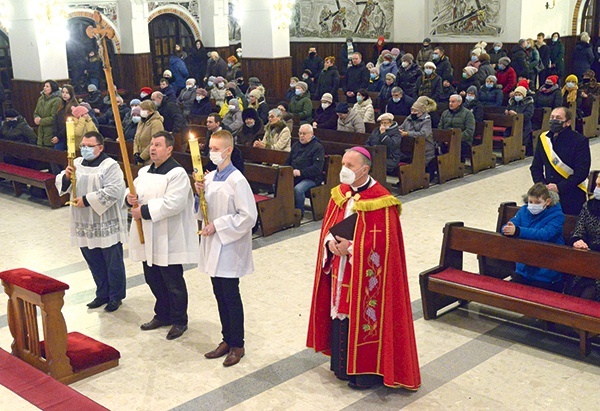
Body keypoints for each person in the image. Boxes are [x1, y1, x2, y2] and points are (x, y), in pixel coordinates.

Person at [307, 146, 420, 390]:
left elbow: (384, 246)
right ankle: (342, 367)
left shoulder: (381, 200)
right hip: (340, 269)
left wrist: (352, 247)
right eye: (343, 165)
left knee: (363, 317)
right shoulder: (340, 194)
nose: (344, 170)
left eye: (350, 166)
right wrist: (331, 243)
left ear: (365, 169)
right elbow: (328, 226)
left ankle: (366, 374)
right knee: (340, 315)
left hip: (366, 276)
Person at [127, 131, 199, 340]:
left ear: (169, 149)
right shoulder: (145, 172)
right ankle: (162, 314)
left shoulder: (177, 174)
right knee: (152, 277)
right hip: (148, 235)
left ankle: (179, 320)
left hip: (168, 235)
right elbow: (132, 192)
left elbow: (173, 204)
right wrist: (129, 198)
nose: (152, 148)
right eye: (151, 144)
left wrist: (144, 211)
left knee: (172, 281)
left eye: (158, 145)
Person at [194, 130, 257, 366]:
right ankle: (226, 339)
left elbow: (248, 216)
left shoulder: (237, 180)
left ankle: (237, 344)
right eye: (210, 148)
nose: (212, 152)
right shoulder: (209, 178)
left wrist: (218, 226)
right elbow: (202, 208)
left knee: (231, 295)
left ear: (228, 150)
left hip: (229, 246)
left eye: (216, 149)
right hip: (213, 245)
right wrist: (198, 192)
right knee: (218, 293)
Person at [56, 131, 127, 312]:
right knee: (93, 260)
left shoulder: (110, 166)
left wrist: (86, 200)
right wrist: (66, 176)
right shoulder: (77, 163)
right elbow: (65, 185)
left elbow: (115, 190)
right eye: (83, 146)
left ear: (100, 147)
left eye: (89, 146)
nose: (85, 149)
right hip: (83, 221)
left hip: (105, 221)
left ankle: (115, 296)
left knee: (112, 262)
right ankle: (101, 293)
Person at [501, 183, 565, 291]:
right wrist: (507, 229)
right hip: (523, 268)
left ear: (547, 202)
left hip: (546, 271)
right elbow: (510, 225)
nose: (533, 205)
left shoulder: (557, 216)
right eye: (530, 202)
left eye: (538, 202)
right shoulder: (524, 210)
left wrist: (517, 231)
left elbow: (544, 234)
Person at [530, 106, 591, 216]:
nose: (554, 120)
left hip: (572, 194)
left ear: (567, 122)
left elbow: (582, 172)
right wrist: (543, 186)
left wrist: (559, 187)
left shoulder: (579, 141)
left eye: (558, 118)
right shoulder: (544, 138)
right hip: (548, 194)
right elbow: (536, 167)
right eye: (552, 117)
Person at [564, 175, 600, 300]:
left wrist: (594, 247)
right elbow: (579, 229)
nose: (597, 189)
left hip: (597, 266)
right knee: (572, 293)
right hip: (585, 262)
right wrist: (577, 240)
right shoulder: (589, 206)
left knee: (588, 295)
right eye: (596, 185)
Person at [285, 124, 325, 217]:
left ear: (311, 134)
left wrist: (301, 172)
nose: (302, 136)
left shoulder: (317, 147)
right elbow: (288, 161)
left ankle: (299, 213)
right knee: (280, 184)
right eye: (300, 133)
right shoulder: (296, 145)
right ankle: (287, 210)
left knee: (298, 189)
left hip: (311, 178)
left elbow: (317, 168)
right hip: (294, 175)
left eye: (304, 134)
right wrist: (288, 170)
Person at [400, 101, 436, 177]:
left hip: (425, 148)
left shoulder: (426, 120)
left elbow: (424, 133)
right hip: (409, 146)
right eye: (412, 110)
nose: (413, 112)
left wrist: (407, 133)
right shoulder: (409, 118)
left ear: (421, 112)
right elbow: (402, 127)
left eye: (415, 111)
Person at [439, 94, 475, 162]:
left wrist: (455, 139)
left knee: (458, 147)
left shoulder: (468, 114)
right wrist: (444, 138)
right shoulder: (445, 113)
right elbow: (440, 127)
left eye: (453, 102)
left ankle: (459, 165)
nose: (450, 104)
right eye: (449, 101)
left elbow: (469, 131)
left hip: (462, 140)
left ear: (459, 102)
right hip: (447, 140)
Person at [133, 100, 164, 166]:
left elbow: (155, 142)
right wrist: (136, 152)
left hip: (150, 158)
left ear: (150, 111)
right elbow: (136, 138)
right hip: (140, 156)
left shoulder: (156, 123)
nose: (141, 111)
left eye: (143, 109)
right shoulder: (141, 121)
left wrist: (143, 156)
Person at [505, 85, 534, 155]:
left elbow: (528, 115)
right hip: (512, 124)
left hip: (524, 125)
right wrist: (507, 111)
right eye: (516, 94)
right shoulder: (512, 102)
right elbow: (508, 109)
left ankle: (520, 151)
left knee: (523, 136)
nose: (517, 96)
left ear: (523, 95)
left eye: (519, 94)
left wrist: (516, 115)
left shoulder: (529, 104)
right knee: (507, 134)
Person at [51, 84, 78, 151]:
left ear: (71, 94)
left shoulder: (73, 106)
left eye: (67, 93)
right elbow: (55, 120)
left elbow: (70, 124)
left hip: (67, 136)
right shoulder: (61, 105)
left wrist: (58, 136)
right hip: (59, 135)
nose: (64, 94)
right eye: (63, 92)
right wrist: (55, 134)